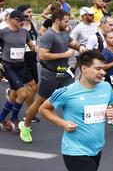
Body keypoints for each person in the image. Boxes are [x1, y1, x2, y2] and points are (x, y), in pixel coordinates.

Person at [19, 10, 83, 143]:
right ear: (57, 21)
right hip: (51, 74)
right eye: (66, 21)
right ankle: (25, 126)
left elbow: (72, 43)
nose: (68, 23)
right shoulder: (48, 35)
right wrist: (65, 55)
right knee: (39, 103)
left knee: (73, 98)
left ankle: (76, 126)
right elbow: (42, 55)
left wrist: (81, 48)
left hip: (64, 74)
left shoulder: (64, 32)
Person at [0, 10, 36, 130]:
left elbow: (31, 45)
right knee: (23, 93)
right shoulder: (3, 32)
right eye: (18, 20)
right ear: (10, 19)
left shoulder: (24, 32)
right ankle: (13, 119)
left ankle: (1, 119)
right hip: (8, 66)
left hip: (21, 65)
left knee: (14, 94)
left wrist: (37, 48)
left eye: (22, 20)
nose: (20, 22)